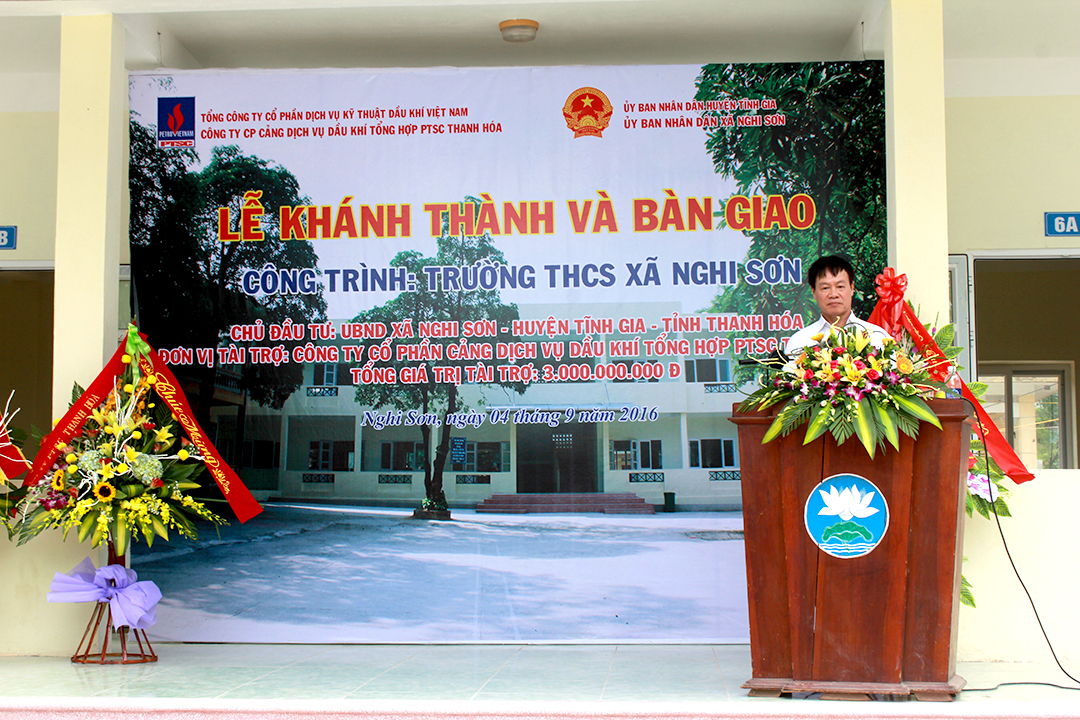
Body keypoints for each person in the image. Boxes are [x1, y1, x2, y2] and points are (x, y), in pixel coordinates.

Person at [784, 255, 891, 355]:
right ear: (814, 292)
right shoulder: (800, 342)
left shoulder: (877, 336)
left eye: (840, 286)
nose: (833, 294)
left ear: (852, 288)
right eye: (825, 288)